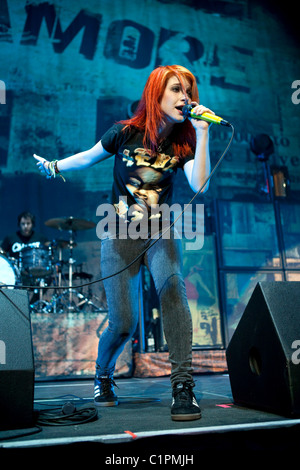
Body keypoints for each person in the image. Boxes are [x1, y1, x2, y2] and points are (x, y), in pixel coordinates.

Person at [34, 64, 213, 421]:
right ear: (156, 93)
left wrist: (204, 132)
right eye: (177, 89)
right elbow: (88, 156)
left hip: (160, 230)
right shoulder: (124, 133)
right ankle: (103, 373)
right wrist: (55, 166)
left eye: (189, 91)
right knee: (124, 322)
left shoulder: (184, 143)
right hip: (120, 232)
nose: (185, 98)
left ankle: (182, 385)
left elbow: (200, 186)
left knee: (174, 294)